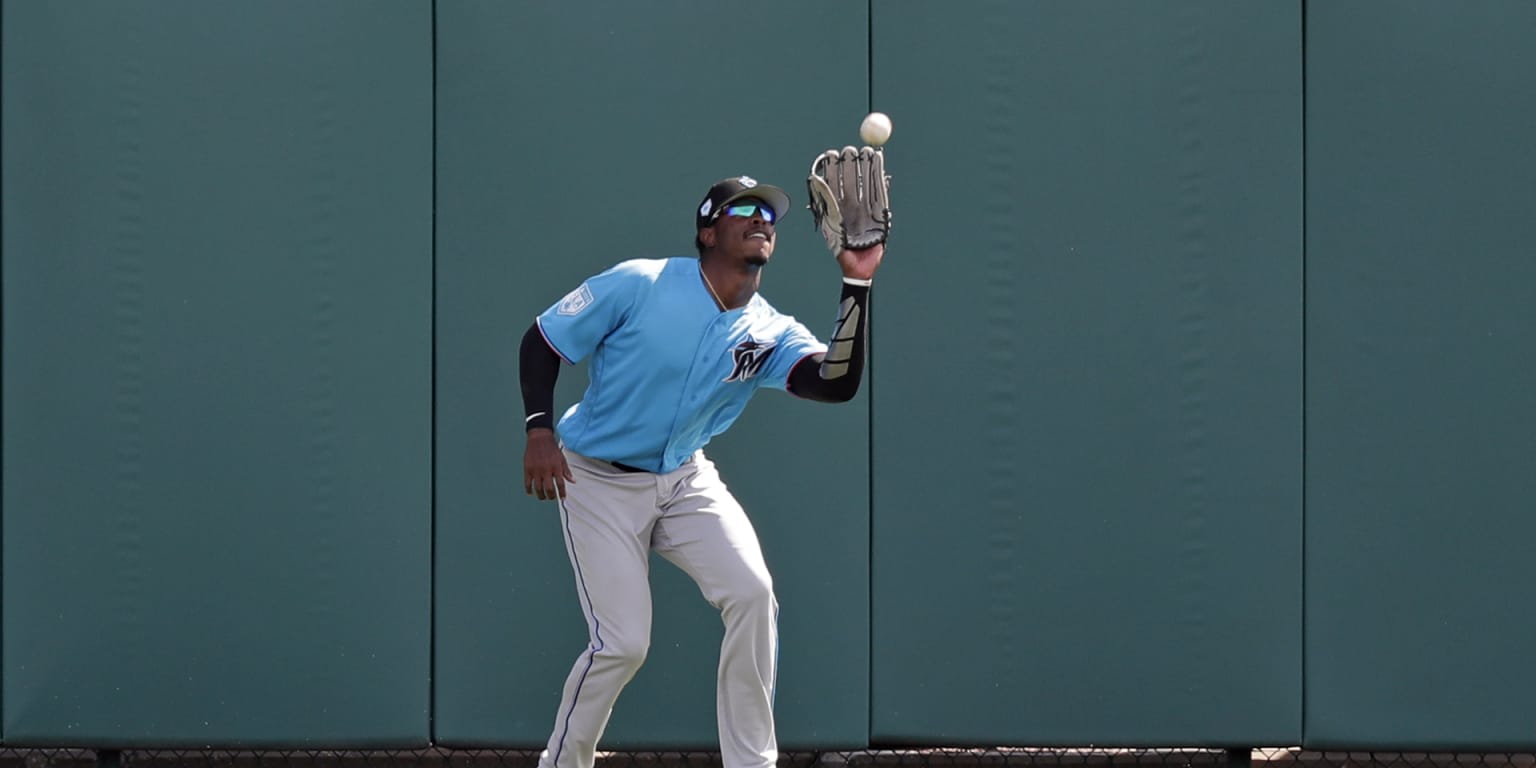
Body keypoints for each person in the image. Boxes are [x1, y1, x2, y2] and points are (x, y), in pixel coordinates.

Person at [519, 174, 884, 768]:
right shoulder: (640, 282)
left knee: (752, 592)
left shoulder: (769, 328)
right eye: (745, 208)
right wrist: (538, 429)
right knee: (623, 644)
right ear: (708, 229)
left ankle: (750, 763)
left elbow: (835, 383)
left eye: (770, 212)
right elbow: (542, 340)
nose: (762, 218)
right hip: (597, 479)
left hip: (685, 477)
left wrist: (857, 280)